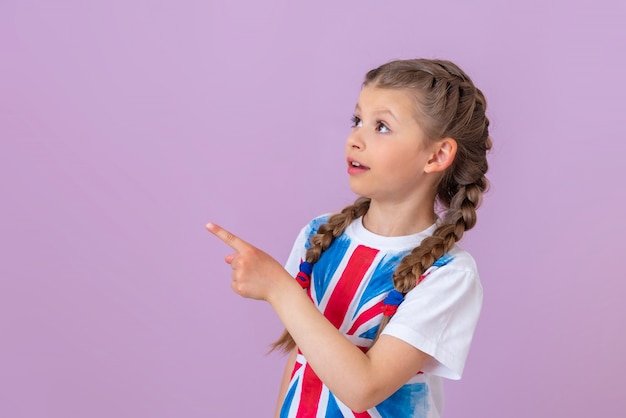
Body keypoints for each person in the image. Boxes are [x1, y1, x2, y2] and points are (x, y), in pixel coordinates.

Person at [206, 58, 492, 418]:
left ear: (436, 155)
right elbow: (303, 358)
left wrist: (279, 289)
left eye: (382, 126)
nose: (355, 139)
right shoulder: (319, 235)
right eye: (357, 120)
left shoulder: (449, 274)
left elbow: (364, 388)